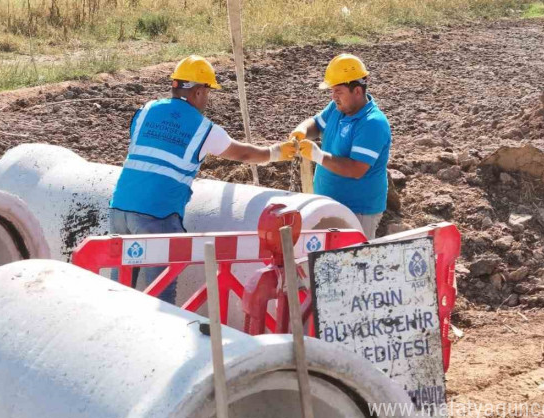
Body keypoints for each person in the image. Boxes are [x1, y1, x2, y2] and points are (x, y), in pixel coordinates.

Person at [109, 55, 297, 304]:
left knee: (118, 288)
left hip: (119, 207)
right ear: (197, 91)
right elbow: (242, 153)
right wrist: (276, 152)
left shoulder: (146, 111)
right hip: (157, 215)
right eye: (208, 91)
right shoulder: (202, 127)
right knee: (160, 297)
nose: (208, 98)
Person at [288, 54, 392, 240]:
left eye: (339, 91)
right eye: (332, 90)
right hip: (328, 205)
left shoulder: (372, 123)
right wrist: (302, 130)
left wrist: (318, 156)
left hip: (359, 212)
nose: (333, 96)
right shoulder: (337, 109)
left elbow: (356, 169)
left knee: (355, 263)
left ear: (357, 91)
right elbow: (317, 124)